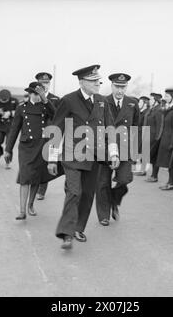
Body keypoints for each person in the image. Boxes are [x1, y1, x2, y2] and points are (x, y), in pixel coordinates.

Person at [47, 64, 119, 250]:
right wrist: (52, 158)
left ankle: (78, 228)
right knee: (74, 192)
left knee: (87, 194)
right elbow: (56, 129)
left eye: (98, 80)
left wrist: (113, 153)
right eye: (93, 81)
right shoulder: (68, 100)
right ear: (82, 82)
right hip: (72, 156)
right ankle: (66, 234)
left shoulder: (102, 101)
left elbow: (110, 129)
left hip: (94, 157)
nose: (98, 84)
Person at [5, 82, 56, 219]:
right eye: (36, 94)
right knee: (25, 177)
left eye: (41, 94)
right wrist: (8, 149)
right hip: (26, 147)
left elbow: (55, 113)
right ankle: (22, 211)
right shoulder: (21, 108)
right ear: (30, 94)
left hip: (41, 145)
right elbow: (14, 130)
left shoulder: (46, 108)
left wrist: (45, 99)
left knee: (35, 177)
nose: (38, 97)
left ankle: (30, 205)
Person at [95, 73, 140, 226]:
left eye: (123, 87)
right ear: (112, 86)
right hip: (105, 149)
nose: (120, 90)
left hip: (125, 149)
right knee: (102, 183)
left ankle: (114, 200)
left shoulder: (132, 103)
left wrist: (136, 152)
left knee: (125, 179)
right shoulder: (102, 102)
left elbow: (136, 129)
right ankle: (104, 215)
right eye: (117, 86)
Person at [35, 72, 61, 201]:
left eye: (46, 83)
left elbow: (57, 115)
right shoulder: (32, 97)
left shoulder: (56, 99)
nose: (44, 85)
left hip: (50, 135)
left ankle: (41, 190)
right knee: (35, 162)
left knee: (46, 162)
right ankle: (33, 186)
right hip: (35, 135)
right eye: (42, 83)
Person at [156, 89, 173, 191]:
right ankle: (169, 182)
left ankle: (171, 183)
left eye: (167, 96)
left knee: (171, 163)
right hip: (165, 139)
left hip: (171, 140)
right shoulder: (169, 108)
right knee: (168, 162)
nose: (165, 98)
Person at [0, 89, 18, 169]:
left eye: (5, 100)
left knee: (8, 144)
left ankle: (8, 162)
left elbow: (19, 111)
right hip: (0, 125)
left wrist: (10, 113)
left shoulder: (14, 101)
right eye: (1, 100)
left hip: (11, 125)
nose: (3, 101)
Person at [144, 93, 164, 182]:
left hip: (155, 137)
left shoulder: (159, 110)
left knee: (154, 157)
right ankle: (152, 175)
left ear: (156, 100)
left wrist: (157, 138)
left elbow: (160, 125)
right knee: (151, 157)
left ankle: (154, 176)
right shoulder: (152, 109)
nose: (149, 101)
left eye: (151, 99)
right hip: (149, 136)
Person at [133, 96, 151, 176]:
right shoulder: (140, 112)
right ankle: (140, 169)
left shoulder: (146, 112)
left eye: (140, 102)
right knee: (139, 153)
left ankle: (143, 170)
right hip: (138, 134)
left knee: (143, 153)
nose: (138, 104)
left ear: (145, 103)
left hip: (143, 134)